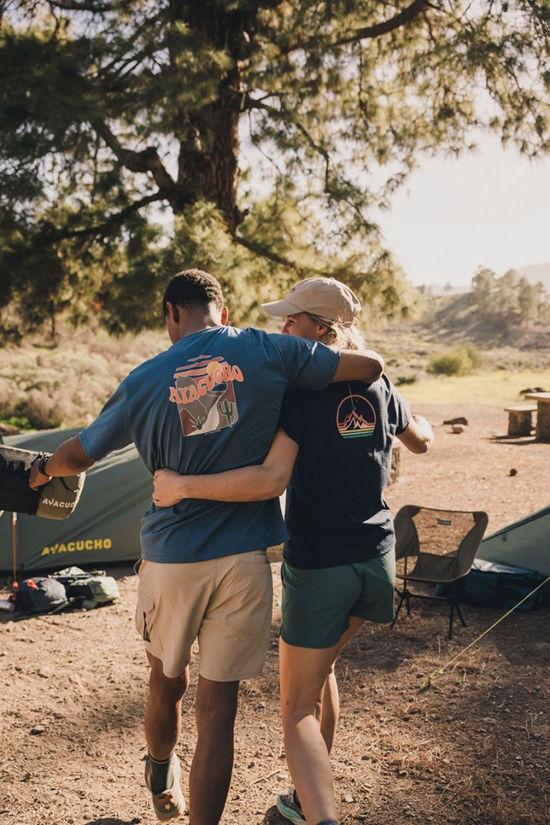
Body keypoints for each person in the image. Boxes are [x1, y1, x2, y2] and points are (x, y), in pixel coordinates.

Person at [29, 269, 385, 825]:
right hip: (245, 561)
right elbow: (369, 368)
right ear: (224, 310)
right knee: (218, 712)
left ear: (172, 312)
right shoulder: (271, 349)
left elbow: (81, 453)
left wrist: (42, 470)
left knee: (166, 680)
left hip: (172, 558)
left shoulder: (146, 377)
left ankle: (158, 770)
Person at [153, 276, 433, 825]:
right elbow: (421, 440)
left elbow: (269, 479)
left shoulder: (302, 394)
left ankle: (319, 815)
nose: (283, 328)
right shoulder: (378, 384)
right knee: (322, 667)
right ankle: (303, 800)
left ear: (322, 331)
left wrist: (182, 485)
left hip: (322, 566)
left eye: (293, 320)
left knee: (297, 709)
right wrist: (413, 419)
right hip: (375, 560)